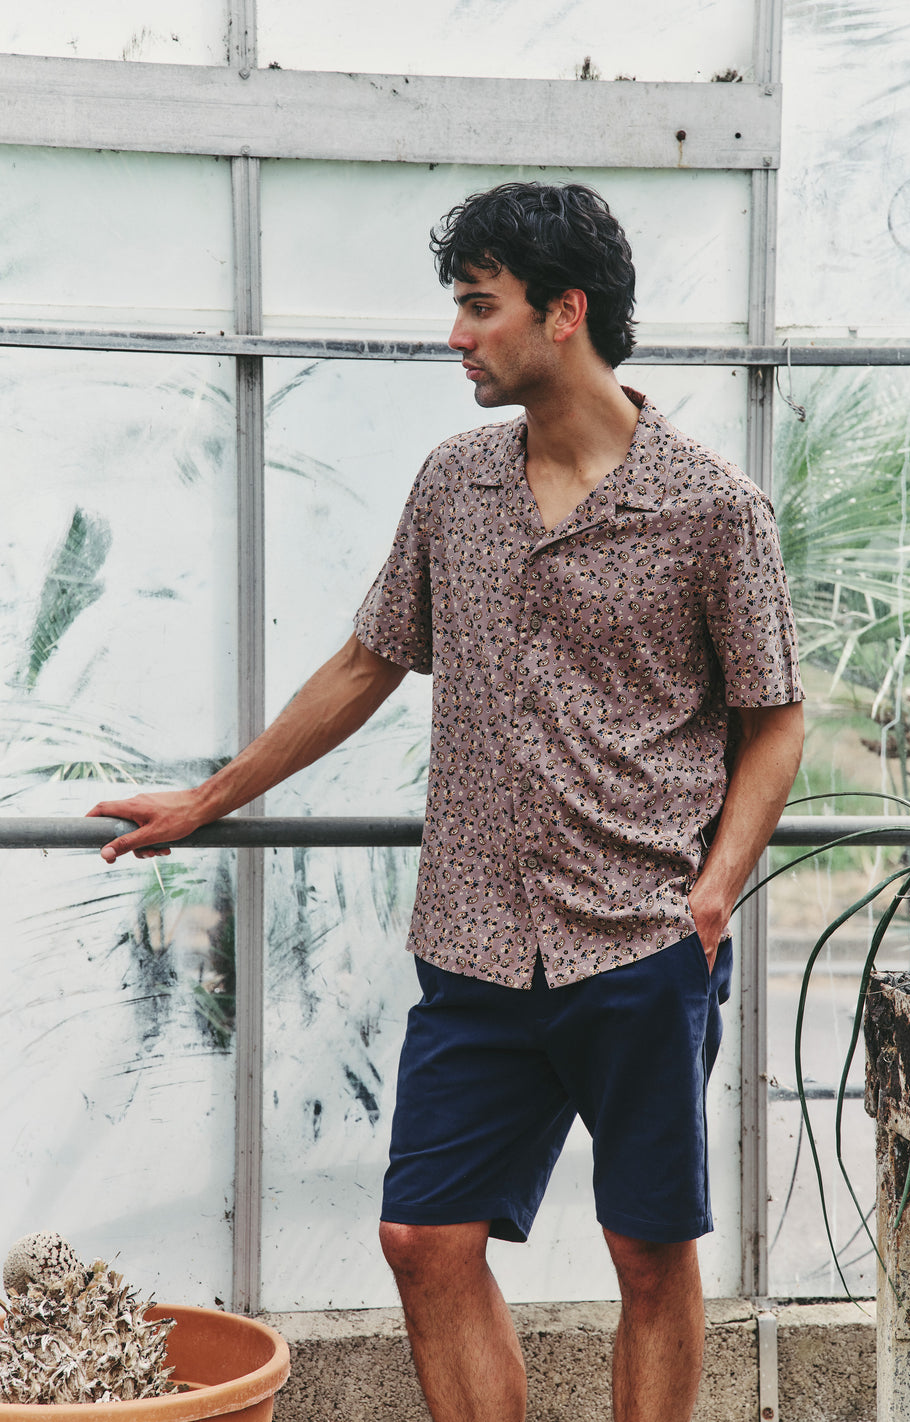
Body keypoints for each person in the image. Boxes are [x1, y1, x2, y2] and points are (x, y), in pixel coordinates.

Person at [88, 181, 804, 1422]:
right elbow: (366, 662)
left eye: (481, 307)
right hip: (474, 941)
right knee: (422, 1238)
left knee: (647, 1251)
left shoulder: (711, 507)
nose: (456, 335)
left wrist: (712, 893)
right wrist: (208, 800)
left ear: (564, 313)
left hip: (640, 942)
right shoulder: (453, 483)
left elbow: (776, 720)